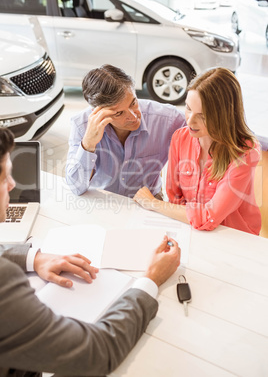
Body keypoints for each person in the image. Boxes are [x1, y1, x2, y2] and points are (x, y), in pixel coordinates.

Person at [0, 128, 181, 376]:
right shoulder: (4, 283)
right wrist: (149, 281)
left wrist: (34, 257)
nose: (12, 184)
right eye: (3, 178)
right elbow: (98, 352)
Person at [134, 67, 262, 235]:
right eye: (188, 108)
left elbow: (210, 217)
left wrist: (153, 203)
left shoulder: (245, 151)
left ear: (224, 116)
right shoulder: (180, 138)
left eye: (202, 116)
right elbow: (175, 198)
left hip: (235, 237)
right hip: (191, 230)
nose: (190, 120)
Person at [65, 64, 186, 198]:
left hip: (149, 201)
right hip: (102, 200)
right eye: (119, 113)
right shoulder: (81, 125)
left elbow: (205, 128)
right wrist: (88, 144)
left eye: (133, 103)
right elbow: (76, 187)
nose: (133, 116)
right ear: (97, 112)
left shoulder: (167, 118)